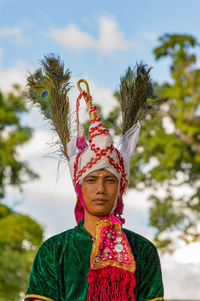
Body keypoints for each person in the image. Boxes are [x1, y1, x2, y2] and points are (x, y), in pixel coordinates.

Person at [24, 60, 164, 301]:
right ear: (79, 187)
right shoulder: (54, 250)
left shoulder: (142, 251)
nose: (100, 189)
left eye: (110, 180)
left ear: (120, 187)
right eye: (91, 180)